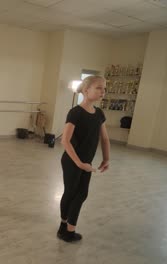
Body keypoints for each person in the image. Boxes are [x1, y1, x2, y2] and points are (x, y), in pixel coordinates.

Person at [57, 75, 110, 242]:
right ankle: (65, 227)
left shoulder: (99, 114)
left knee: (82, 194)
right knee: (72, 193)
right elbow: (64, 140)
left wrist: (106, 158)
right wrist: (80, 164)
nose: (103, 91)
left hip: (86, 163)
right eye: (99, 88)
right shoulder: (75, 113)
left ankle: (68, 229)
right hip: (72, 161)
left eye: (104, 88)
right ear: (86, 90)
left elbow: (105, 138)